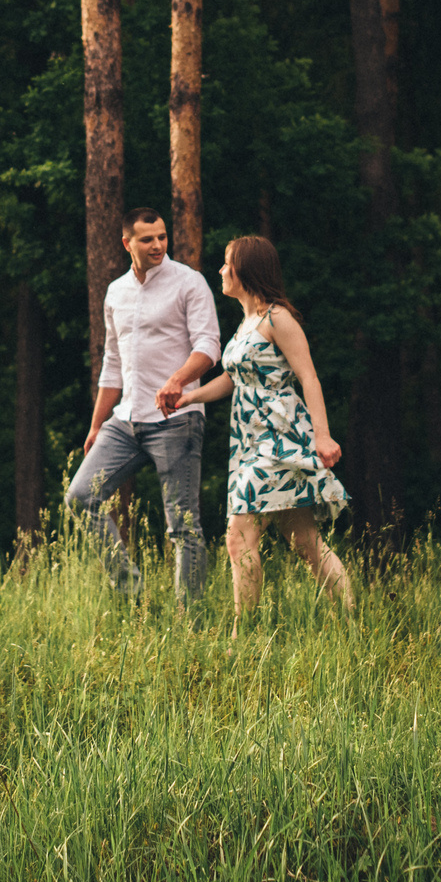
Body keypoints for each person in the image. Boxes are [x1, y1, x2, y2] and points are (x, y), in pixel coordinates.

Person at [158, 233, 353, 618]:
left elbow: (308, 377)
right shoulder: (247, 322)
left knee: (238, 536)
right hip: (249, 443)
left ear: (245, 269)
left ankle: (241, 633)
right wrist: (189, 396)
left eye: (227, 262)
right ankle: (351, 619)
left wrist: (323, 435)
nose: (221, 270)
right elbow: (234, 379)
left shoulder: (277, 317)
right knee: (304, 541)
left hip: (279, 440)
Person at [65, 208, 219, 600]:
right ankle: (132, 592)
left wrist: (177, 379)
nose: (157, 245)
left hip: (177, 419)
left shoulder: (189, 282)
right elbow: (113, 364)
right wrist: (97, 425)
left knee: (183, 525)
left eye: (162, 237)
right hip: (126, 420)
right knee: (81, 497)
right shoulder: (116, 291)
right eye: (147, 239)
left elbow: (209, 347)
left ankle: (192, 626)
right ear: (126, 243)